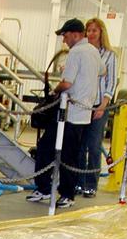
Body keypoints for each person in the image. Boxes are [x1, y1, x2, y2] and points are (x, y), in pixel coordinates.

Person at [27, 18, 102, 208]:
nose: (64, 40)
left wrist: (55, 90)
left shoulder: (76, 52)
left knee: (46, 148)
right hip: (84, 114)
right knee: (71, 154)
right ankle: (62, 192)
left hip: (68, 113)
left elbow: (67, 83)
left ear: (75, 34)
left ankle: (49, 189)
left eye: (65, 35)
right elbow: (102, 72)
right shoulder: (93, 51)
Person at [78, 17, 118, 197]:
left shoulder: (110, 56)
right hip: (82, 105)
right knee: (79, 146)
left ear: (101, 32)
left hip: (99, 106)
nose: (91, 34)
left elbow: (111, 83)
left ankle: (91, 184)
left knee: (93, 146)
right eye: (88, 30)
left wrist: (103, 105)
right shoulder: (82, 52)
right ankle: (78, 182)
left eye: (94, 30)